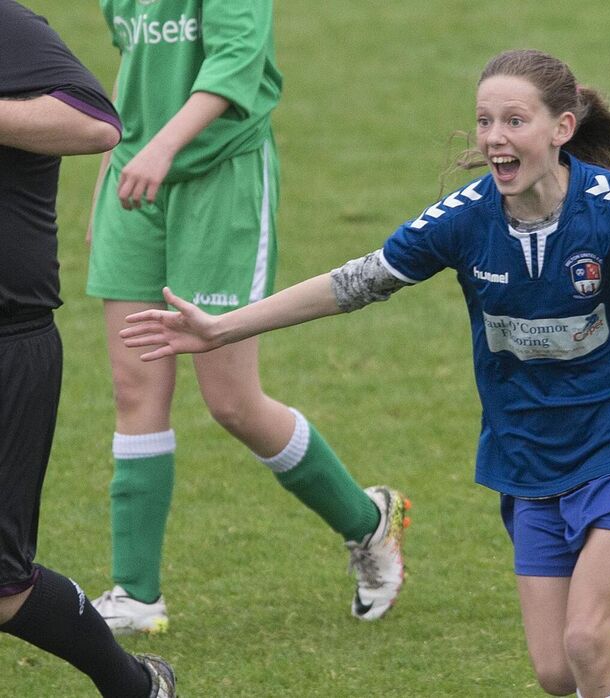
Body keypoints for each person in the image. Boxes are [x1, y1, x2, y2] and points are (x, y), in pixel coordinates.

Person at [121, 48, 610, 697]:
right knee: (557, 672)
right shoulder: (465, 219)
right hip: (528, 457)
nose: (494, 136)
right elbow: (357, 281)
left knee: (592, 644)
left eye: (514, 120)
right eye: (486, 120)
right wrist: (223, 326)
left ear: (562, 130)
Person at [85, 0, 409, 634]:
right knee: (134, 385)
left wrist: (164, 148)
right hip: (134, 181)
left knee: (230, 400)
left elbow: (235, 63)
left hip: (219, 181)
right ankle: (136, 592)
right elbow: (135, 66)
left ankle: (370, 524)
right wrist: (108, 174)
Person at [0, 1, 176, 695]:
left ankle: (135, 687)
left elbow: (95, 122)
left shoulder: (10, 27)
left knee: (4, 588)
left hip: (8, 342)